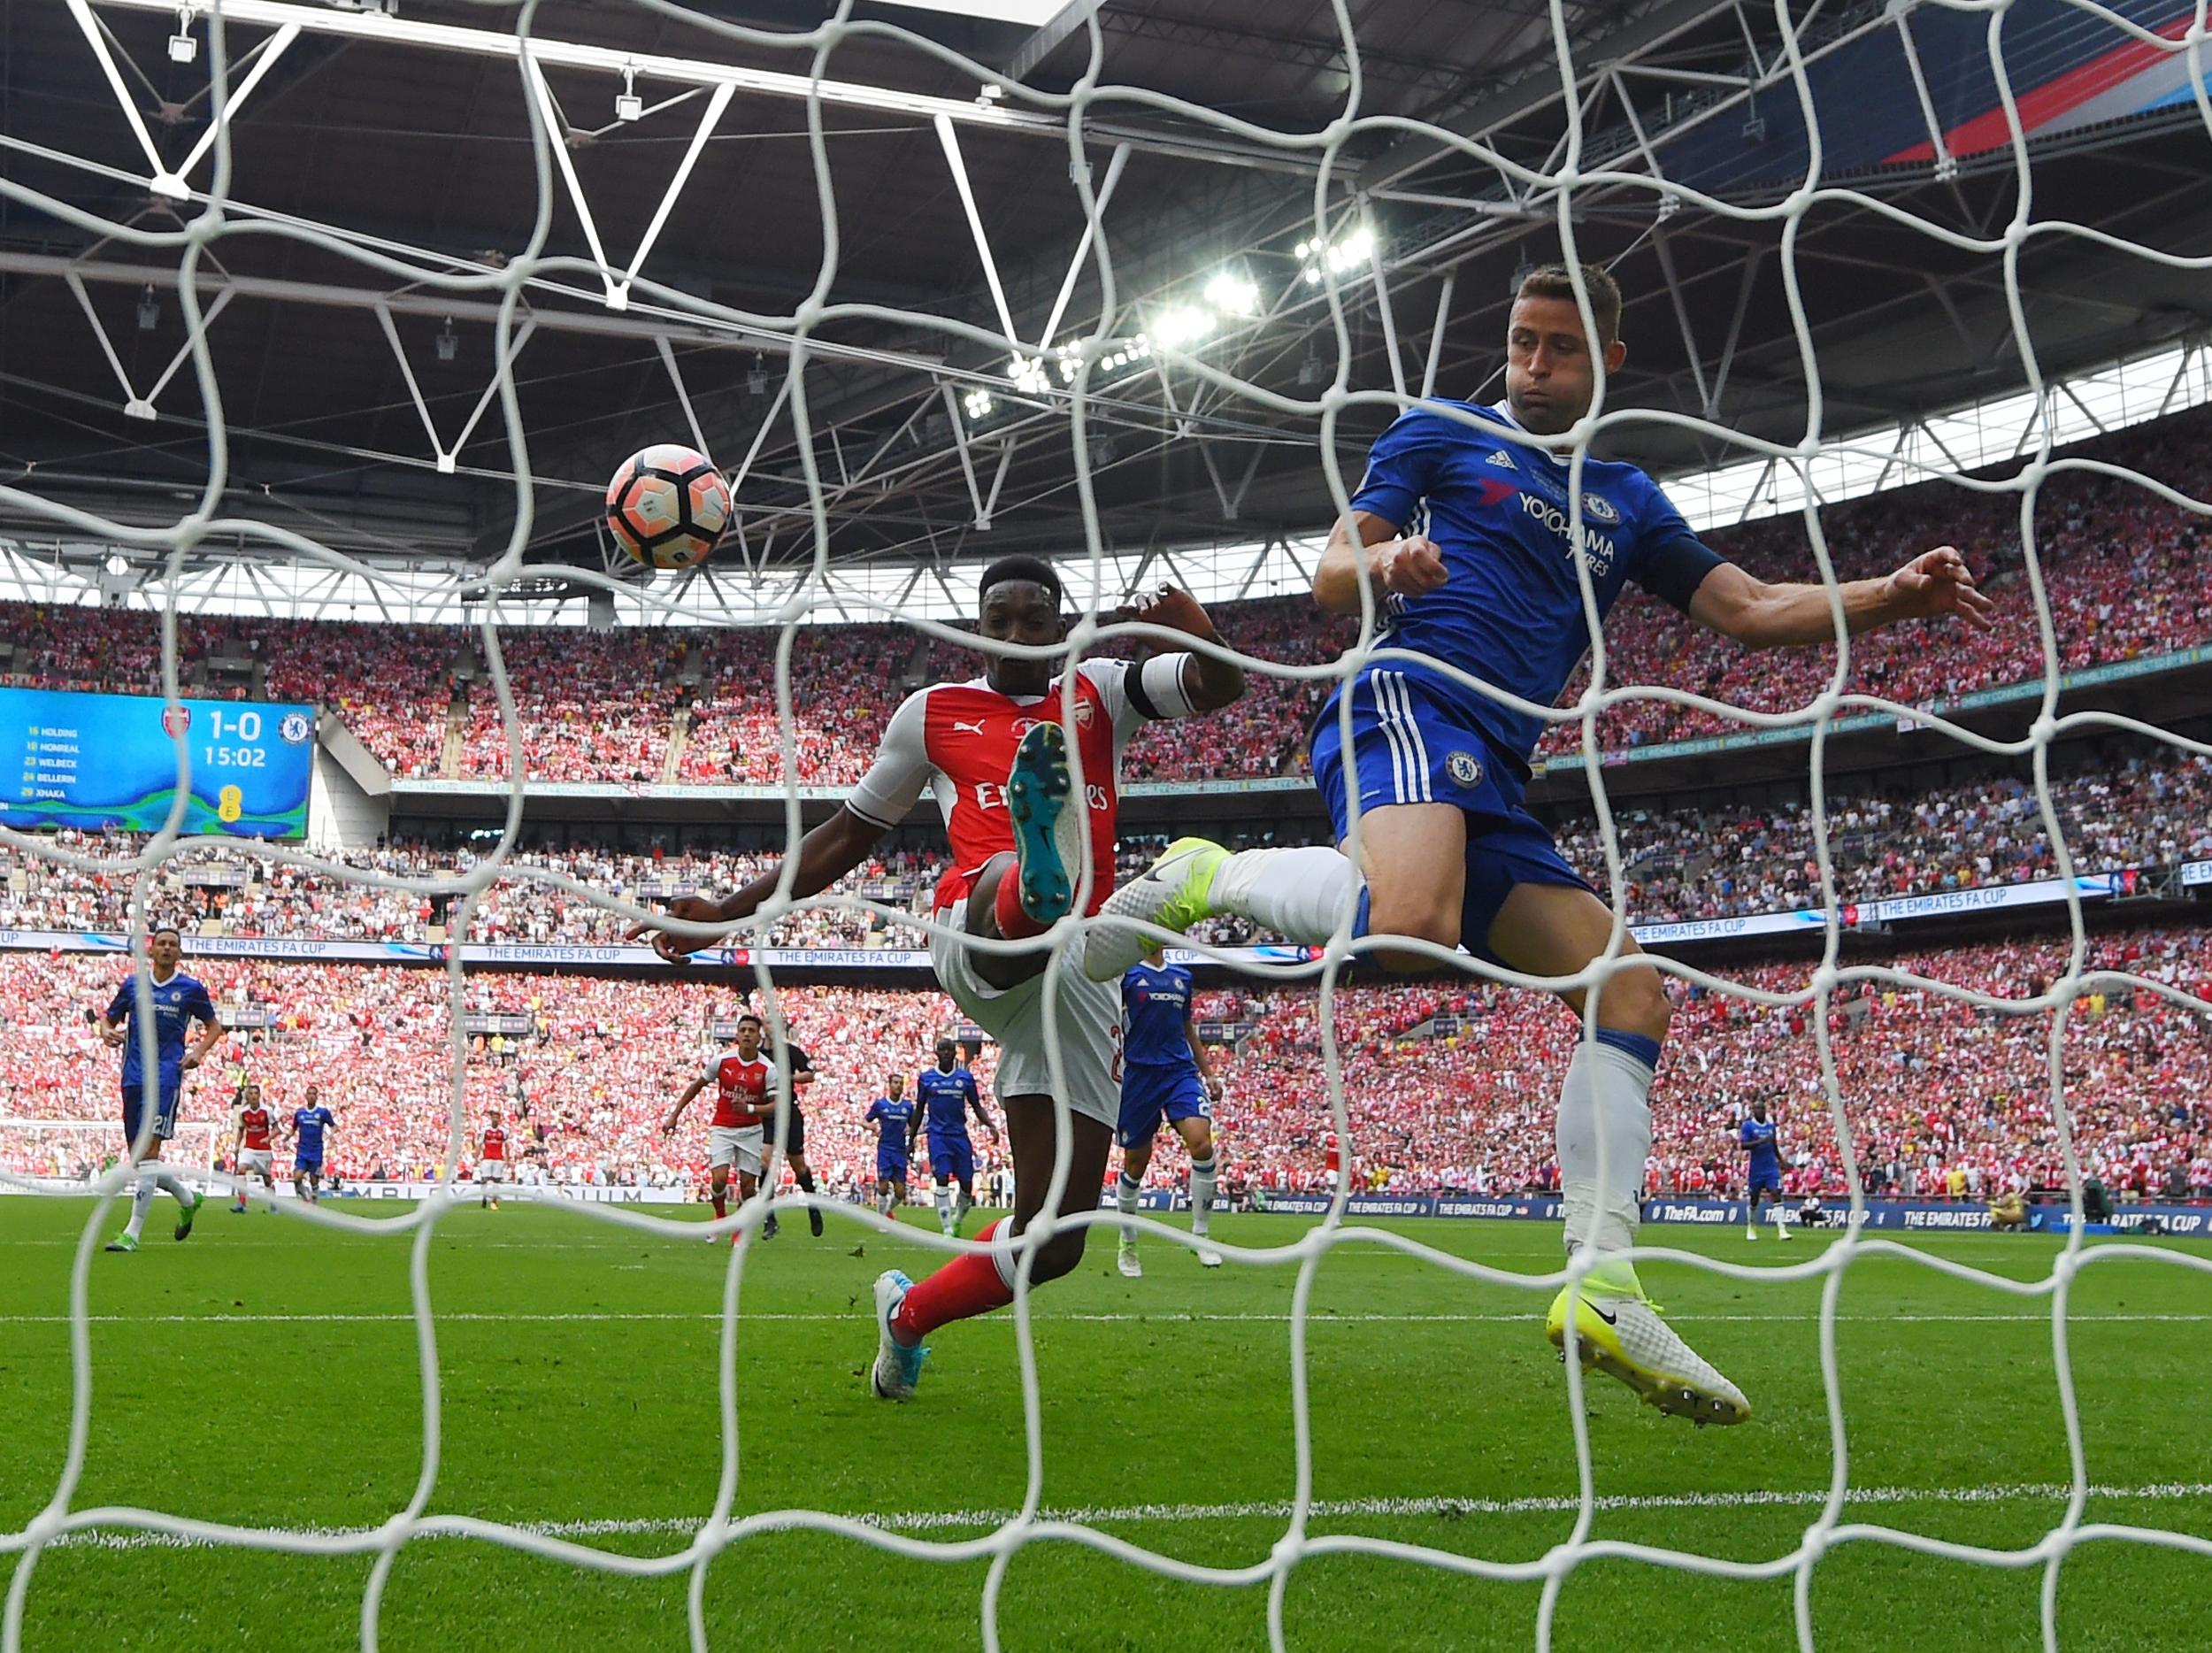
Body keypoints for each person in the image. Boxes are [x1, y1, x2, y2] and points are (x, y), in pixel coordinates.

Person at [1088, 263, 1993, 1426]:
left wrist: (1886, 597)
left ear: (1607, 363)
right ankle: (1217, 876)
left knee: (1626, 985)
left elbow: (1747, 609)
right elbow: (1327, 573)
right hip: (1408, 696)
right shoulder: (1440, 434)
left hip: (1501, 767)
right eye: (1521, 341)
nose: (1534, 363)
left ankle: (1603, 1284)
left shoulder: (1627, 497)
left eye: (1559, 347)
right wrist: (1388, 563)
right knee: (1409, 924)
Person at [628, 559, 1243, 1401]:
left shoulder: (1103, 687)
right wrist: (732, 911)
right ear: (974, 627)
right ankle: (1035, 875)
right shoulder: (932, 714)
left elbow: (1220, 687)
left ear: (1063, 629)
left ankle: (905, 1320)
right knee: (1000, 875)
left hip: (1083, 974)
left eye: (1038, 620)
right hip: (977, 930)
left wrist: (1192, 628)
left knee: (1054, 1237)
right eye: (1002, 618)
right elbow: (847, 835)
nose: (1020, 633)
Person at [98, 924, 221, 1251]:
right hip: (133, 1077)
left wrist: (198, 1052)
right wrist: (107, 1032)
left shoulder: (190, 989)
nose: (167, 948)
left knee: (150, 1155)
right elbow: (108, 1019)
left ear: (179, 953)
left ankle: (132, 1233)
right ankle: (187, 1197)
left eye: (173, 944)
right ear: (151, 950)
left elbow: (214, 1026)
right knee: (140, 1161)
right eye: (162, 943)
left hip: (165, 1078)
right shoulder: (133, 984)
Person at [1111, 946, 1224, 1276]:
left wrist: (1209, 1073)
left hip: (1179, 1072)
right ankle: (1128, 1242)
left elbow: (1187, 1028)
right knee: (1136, 1164)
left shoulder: (1181, 977)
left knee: (1202, 1143)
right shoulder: (1127, 975)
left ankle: (1201, 1235)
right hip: (1139, 1076)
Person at [661, 1013, 775, 1245]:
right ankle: (720, 1217)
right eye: (742, 1030)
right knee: (720, 1179)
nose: (746, 1034)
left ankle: (739, 1226)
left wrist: (750, 1108)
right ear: (736, 1034)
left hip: (751, 1131)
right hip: (722, 1127)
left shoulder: (768, 1069)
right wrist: (674, 1115)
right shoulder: (722, 1061)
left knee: (747, 1187)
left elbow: (776, 1108)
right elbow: (697, 1085)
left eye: (751, 1031)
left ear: (758, 1037)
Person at [914, 1038, 997, 1238]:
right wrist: (911, 1137)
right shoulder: (926, 1078)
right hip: (937, 1135)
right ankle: (947, 1228)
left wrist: (991, 1125)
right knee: (941, 1177)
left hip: (959, 1135)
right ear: (936, 1053)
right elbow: (919, 1109)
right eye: (941, 1050)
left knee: (967, 1183)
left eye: (949, 1050)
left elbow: (976, 1106)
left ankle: (957, 1219)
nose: (945, 1053)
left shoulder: (965, 1078)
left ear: (954, 1053)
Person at [759, 1034, 822, 1240]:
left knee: (798, 1165)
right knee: (764, 1161)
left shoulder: (790, 1051)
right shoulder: (758, 1054)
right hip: (767, 1112)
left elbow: (810, 1074)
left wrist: (789, 1077)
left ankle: (813, 1207)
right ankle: (770, 1219)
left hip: (789, 1112)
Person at [864, 1073, 917, 1218]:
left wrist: (912, 1143)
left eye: (901, 1083)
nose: (898, 1085)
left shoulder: (907, 1106)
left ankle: (886, 1210)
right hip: (885, 1149)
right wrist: (872, 1127)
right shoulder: (880, 1104)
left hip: (900, 1151)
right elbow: (865, 1121)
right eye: (895, 1082)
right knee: (884, 1185)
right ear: (889, 1085)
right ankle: (881, 1220)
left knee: (900, 1192)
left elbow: (914, 1127)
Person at [1740, 1099, 1788, 1242]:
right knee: (1754, 1199)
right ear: (1753, 1111)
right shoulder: (1748, 1126)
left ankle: (1782, 1229)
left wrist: (1781, 1160)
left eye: (1762, 1108)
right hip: (1756, 1168)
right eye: (1757, 1108)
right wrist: (1760, 1141)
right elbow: (1743, 1145)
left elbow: (1773, 1145)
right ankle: (1752, 1226)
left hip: (1770, 1167)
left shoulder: (1770, 1127)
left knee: (1776, 1193)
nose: (1760, 1111)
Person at [229, 1080, 277, 1214]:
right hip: (249, 1149)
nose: (254, 1096)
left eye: (256, 1093)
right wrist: (237, 1146)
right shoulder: (244, 1112)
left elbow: (277, 1129)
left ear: (259, 1095)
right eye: (251, 1093)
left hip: (264, 1151)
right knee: (241, 1170)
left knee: (266, 1180)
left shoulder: (267, 1111)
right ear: (247, 1096)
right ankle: (242, 1203)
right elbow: (241, 1130)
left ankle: (274, 1204)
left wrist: (268, 1138)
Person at [286, 1084, 337, 1204]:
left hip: (316, 1151)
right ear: (306, 1096)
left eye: (314, 1094)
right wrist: (286, 1138)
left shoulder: (323, 1112)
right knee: (297, 1177)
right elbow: (293, 1129)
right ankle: (305, 1196)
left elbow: (334, 1126)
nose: (312, 1096)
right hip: (302, 1151)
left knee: (314, 1180)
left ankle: (314, 1203)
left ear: (317, 1097)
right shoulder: (300, 1113)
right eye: (310, 1094)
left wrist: (330, 1135)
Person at [479, 1112, 509, 1211]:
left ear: (499, 1119)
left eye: (497, 1118)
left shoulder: (503, 1131)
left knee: (497, 1180)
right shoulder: (485, 1130)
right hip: (487, 1158)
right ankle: (484, 1197)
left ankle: (494, 1200)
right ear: (491, 1119)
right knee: (484, 1179)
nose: (495, 1119)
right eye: (494, 1117)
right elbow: (480, 1143)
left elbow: (506, 1145)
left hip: (498, 1158)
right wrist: (476, 1157)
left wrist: (507, 1158)